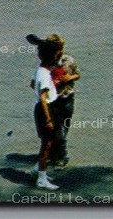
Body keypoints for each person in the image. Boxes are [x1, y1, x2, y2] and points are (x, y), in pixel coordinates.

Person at [26, 34, 79, 168]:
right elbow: (35, 84)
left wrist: (69, 77)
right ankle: (61, 157)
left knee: (63, 129)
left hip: (67, 98)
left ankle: (52, 154)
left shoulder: (68, 60)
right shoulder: (47, 65)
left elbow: (78, 74)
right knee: (57, 131)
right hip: (53, 102)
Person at [30, 40, 62, 190]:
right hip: (46, 109)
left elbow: (33, 85)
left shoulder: (42, 71)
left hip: (49, 107)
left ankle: (38, 169)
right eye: (56, 54)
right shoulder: (43, 74)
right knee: (47, 145)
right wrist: (48, 118)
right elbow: (43, 97)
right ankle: (41, 179)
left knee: (53, 140)